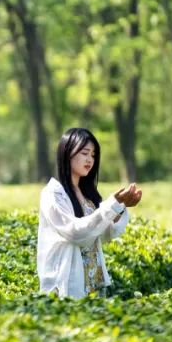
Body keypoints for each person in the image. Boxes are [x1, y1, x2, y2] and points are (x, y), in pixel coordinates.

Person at [37, 127, 142, 299]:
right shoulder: (53, 194)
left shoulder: (87, 194)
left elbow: (100, 234)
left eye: (93, 155)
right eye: (85, 153)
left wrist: (121, 206)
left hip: (93, 281)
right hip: (66, 283)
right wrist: (111, 206)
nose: (90, 160)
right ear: (67, 153)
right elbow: (75, 232)